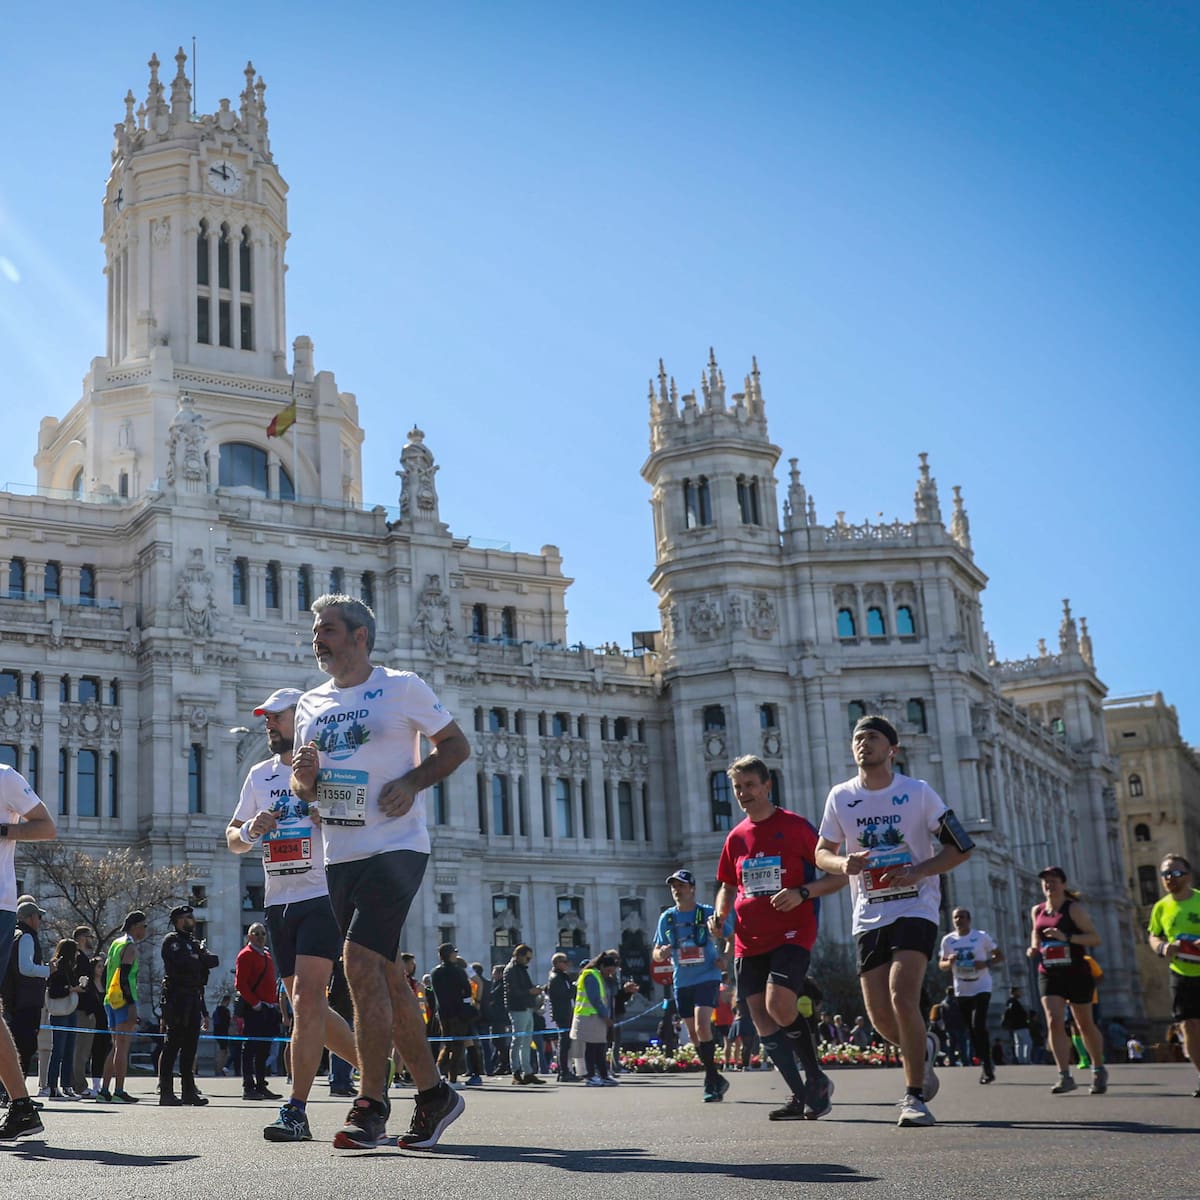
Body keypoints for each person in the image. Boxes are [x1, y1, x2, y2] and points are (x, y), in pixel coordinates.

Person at [290, 593, 470, 1149]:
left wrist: (411, 783)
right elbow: (304, 787)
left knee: (359, 963)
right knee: (388, 978)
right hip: (341, 854)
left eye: (328, 630)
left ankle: (370, 1105)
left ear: (359, 636)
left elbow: (455, 746)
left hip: (396, 847)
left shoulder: (402, 686)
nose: (317, 639)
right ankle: (436, 1094)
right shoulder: (309, 703)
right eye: (316, 631)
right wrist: (305, 777)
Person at [815, 714, 973, 1128]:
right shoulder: (840, 796)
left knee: (903, 993)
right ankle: (924, 1048)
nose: (862, 745)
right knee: (879, 1015)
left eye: (871, 738)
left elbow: (961, 846)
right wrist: (842, 862)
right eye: (856, 739)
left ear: (892, 749)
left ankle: (914, 1097)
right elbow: (821, 852)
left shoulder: (918, 793)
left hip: (915, 906)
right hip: (868, 913)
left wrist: (921, 871)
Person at [228, 687, 360, 1141]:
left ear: (300, 721)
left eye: (276, 718)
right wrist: (250, 828)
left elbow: (360, 816)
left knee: (306, 1002)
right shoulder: (260, 774)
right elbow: (233, 837)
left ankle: (296, 1110)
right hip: (277, 900)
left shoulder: (329, 766)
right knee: (310, 1008)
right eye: (265, 718)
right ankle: (379, 1067)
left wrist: (330, 815)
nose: (269, 725)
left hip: (321, 894)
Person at [711, 755, 847, 1122]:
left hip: (791, 933)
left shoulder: (795, 827)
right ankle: (800, 1094)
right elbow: (727, 885)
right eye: (737, 788)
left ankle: (817, 1079)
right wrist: (720, 913)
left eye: (750, 786)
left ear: (767, 786)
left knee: (780, 1004)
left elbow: (836, 876)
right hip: (748, 940)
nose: (743, 794)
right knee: (761, 1018)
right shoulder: (736, 837)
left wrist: (802, 893)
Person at [0, 769, 56, 1140]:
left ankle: (21, 1105)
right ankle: (21, 1107)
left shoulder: (3, 776)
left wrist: (4, 831)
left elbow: (45, 826)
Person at [653, 868, 732, 1102]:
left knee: (702, 1026)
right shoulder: (667, 918)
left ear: (692, 888)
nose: (677, 890)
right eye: (673, 886)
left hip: (707, 977)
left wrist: (725, 959)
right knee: (693, 1034)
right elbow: (656, 953)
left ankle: (710, 1081)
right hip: (682, 980)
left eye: (681, 886)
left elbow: (731, 938)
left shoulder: (707, 913)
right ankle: (715, 1076)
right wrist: (662, 953)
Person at [1027, 865, 1107, 1095]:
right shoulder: (1038, 910)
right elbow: (1036, 932)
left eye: (1053, 881)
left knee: (1083, 1024)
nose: (1049, 885)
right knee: (1053, 1020)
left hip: (1076, 972)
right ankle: (1064, 1074)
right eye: (1045, 882)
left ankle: (1098, 1069)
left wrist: (1066, 937)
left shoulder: (1073, 910)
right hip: (1049, 971)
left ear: (1063, 884)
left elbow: (1095, 939)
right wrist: (1034, 947)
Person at [1147, 853, 1200, 1096]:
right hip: (1180, 972)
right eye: (1166, 874)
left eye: (1176, 873)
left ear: (1188, 876)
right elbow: (1153, 935)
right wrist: (1162, 947)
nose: (1170, 878)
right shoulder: (1161, 907)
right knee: (1188, 1026)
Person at [158, 904, 219, 1106]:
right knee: (172, 1045)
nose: (191, 920)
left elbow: (212, 961)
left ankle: (188, 1091)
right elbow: (185, 964)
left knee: (190, 1048)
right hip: (177, 999)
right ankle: (166, 1091)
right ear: (178, 921)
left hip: (193, 998)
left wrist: (205, 1012)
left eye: (192, 917)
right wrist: (198, 959)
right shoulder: (172, 941)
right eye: (187, 917)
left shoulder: (193, 943)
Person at [938, 907, 1003, 1083]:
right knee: (972, 1030)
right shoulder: (948, 940)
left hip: (982, 986)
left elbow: (999, 956)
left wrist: (986, 963)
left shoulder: (980, 936)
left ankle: (987, 1067)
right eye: (956, 917)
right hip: (962, 988)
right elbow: (941, 965)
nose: (959, 920)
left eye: (962, 917)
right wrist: (948, 962)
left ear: (969, 919)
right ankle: (985, 1059)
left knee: (978, 1024)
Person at [98, 909, 147, 1103]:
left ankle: (103, 1091)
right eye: (144, 926)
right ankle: (119, 1090)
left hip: (111, 999)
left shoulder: (115, 944)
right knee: (122, 1047)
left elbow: (104, 974)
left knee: (115, 1046)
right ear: (135, 927)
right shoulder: (130, 946)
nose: (145, 930)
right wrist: (131, 1004)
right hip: (123, 1001)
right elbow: (126, 976)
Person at [3, 899, 49, 1084]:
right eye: (38, 917)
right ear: (30, 918)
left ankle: (8, 1094)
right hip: (27, 1002)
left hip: (15, 1001)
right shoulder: (27, 936)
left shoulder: (13, 934)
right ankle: (17, 1096)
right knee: (25, 1049)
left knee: (13, 1048)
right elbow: (25, 968)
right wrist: (48, 970)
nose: (39, 921)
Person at [235, 924, 281, 1101]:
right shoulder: (246, 954)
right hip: (255, 1009)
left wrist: (274, 1003)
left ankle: (261, 1085)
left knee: (264, 1049)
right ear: (249, 936)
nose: (261, 936)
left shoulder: (267, 955)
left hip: (268, 1009)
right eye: (256, 933)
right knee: (250, 1049)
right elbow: (240, 983)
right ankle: (248, 1087)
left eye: (263, 933)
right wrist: (255, 1003)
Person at [45, 937, 86, 1099]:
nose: (77, 954)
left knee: (69, 1049)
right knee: (59, 1050)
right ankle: (53, 1086)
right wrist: (71, 989)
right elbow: (53, 991)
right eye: (75, 951)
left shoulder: (70, 967)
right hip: (60, 1012)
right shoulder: (57, 965)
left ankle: (67, 1085)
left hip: (70, 1010)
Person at [571, 951, 619, 1085]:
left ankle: (603, 1075)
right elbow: (595, 999)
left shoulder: (597, 976)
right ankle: (590, 1075)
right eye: (609, 970)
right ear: (602, 966)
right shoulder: (591, 976)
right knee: (592, 1048)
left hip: (595, 1017)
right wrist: (606, 1016)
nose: (610, 974)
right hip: (588, 1017)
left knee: (599, 1048)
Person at [429, 942, 474, 1086]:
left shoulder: (435, 972)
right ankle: (452, 1077)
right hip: (458, 1012)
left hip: (442, 1012)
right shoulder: (458, 971)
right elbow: (467, 990)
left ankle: (436, 1072)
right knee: (458, 1045)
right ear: (450, 954)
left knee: (447, 1044)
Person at [503, 943, 544, 1085]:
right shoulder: (511, 970)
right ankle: (516, 1071)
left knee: (526, 1041)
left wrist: (534, 992)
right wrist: (530, 991)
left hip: (526, 1007)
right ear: (519, 956)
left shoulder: (520, 969)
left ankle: (528, 1071)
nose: (529, 961)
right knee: (518, 1040)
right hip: (517, 1008)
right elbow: (512, 991)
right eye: (527, 958)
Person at [70, 926, 100, 1097]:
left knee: (83, 1050)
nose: (91, 940)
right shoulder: (79, 959)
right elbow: (82, 984)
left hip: (85, 1009)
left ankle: (76, 1083)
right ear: (82, 938)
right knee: (81, 1050)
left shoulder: (82, 958)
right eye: (89, 937)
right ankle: (79, 1085)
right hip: (82, 1010)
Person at [546, 953, 577, 1082]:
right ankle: (563, 1071)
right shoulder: (556, 978)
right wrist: (574, 988)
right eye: (565, 962)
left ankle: (565, 1070)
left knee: (566, 1043)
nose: (567, 964)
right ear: (558, 963)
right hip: (562, 1014)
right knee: (563, 1044)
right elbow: (563, 995)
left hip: (567, 1012)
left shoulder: (563, 977)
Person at [1001, 986, 1032, 1065]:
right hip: (1021, 1026)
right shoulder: (1013, 1002)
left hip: (1015, 1027)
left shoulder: (1010, 1002)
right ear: (1014, 992)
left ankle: (1021, 1060)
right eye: (1019, 991)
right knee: (1027, 1043)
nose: (1020, 993)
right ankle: (1026, 1059)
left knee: (1019, 1044)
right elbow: (1011, 1012)